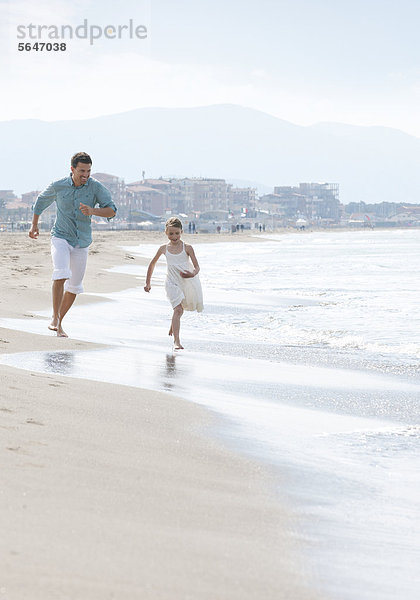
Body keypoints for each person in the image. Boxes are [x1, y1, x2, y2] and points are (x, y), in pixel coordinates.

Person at [28, 152, 117, 338]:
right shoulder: (59, 185)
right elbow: (40, 202)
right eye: (82, 171)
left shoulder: (95, 187)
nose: (85, 175)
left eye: (88, 171)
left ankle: (60, 320)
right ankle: (54, 318)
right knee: (61, 274)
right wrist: (34, 224)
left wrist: (93, 210)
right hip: (60, 237)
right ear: (72, 169)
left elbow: (111, 211)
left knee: (74, 287)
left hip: (82, 242)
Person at [144, 217, 203, 349]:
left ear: (181, 232)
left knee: (179, 311)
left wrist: (192, 273)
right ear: (166, 232)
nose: (174, 236)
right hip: (171, 283)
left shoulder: (188, 248)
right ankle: (176, 341)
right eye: (171, 233)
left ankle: (173, 324)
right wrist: (148, 283)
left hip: (185, 282)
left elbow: (197, 267)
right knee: (178, 310)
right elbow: (152, 264)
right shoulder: (163, 248)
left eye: (177, 233)